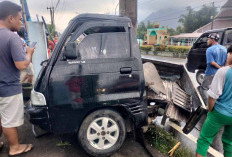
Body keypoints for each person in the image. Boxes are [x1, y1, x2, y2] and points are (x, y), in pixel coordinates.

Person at [0, 1, 35, 156]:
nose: (21, 23)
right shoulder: (12, 38)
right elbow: (21, 65)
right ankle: (14, 147)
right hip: (8, 87)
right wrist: (29, 53)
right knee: (9, 121)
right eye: (20, 19)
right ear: (10, 18)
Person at [196, 45, 232, 157]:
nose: (227, 56)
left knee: (204, 140)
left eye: (229, 53)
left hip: (219, 113)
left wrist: (210, 110)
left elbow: (212, 96)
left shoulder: (223, 71)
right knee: (229, 144)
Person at [200, 33, 227, 104]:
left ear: (212, 40)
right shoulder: (224, 48)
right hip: (221, 74)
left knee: (204, 88)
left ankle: (208, 106)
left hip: (210, 73)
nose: (207, 41)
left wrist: (220, 68)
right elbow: (226, 61)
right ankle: (217, 105)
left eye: (208, 39)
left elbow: (211, 62)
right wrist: (222, 69)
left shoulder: (209, 50)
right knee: (218, 90)